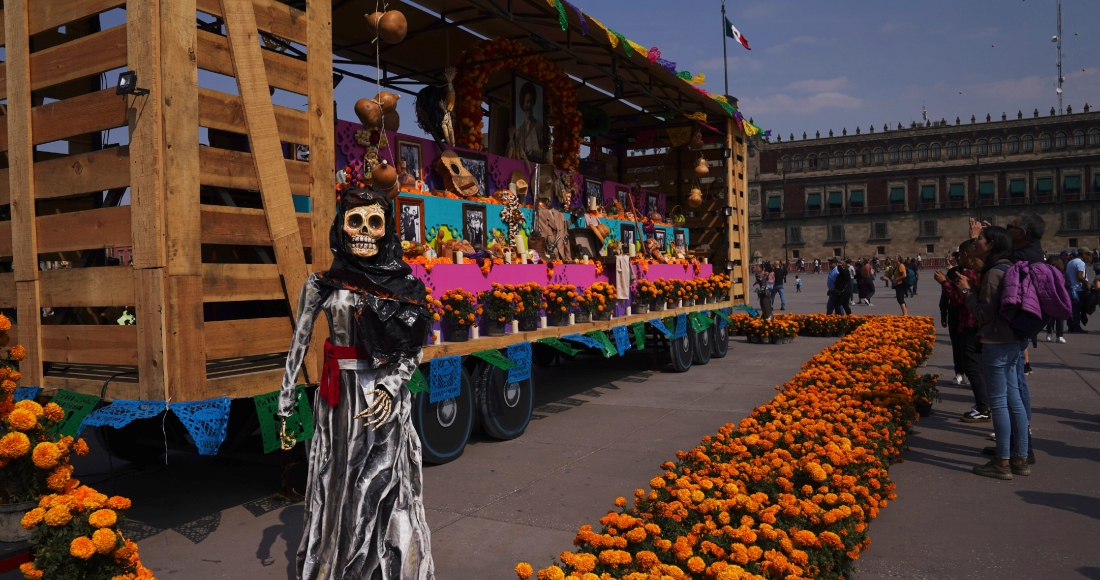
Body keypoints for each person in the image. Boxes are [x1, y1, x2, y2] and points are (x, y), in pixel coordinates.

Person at [278, 187, 436, 578]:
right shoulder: (323, 284)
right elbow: (298, 342)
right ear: (341, 228)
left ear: (387, 231)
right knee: (338, 483)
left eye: (375, 222)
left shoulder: (403, 283)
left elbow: (414, 347)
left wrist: (390, 386)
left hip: (383, 398)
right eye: (355, 221)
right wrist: (285, 404)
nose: (364, 231)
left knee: (381, 485)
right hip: (338, 400)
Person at [957, 226, 1029, 479]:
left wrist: (966, 291)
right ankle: (1020, 457)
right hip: (1013, 342)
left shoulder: (993, 274)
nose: (975, 242)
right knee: (1015, 402)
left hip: (996, 343)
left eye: (980, 239)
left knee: (998, 404)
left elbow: (984, 314)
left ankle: (1002, 462)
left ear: (992, 245)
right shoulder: (1010, 268)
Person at [934, 239, 989, 422]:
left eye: (959, 256)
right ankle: (983, 404)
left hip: (970, 324)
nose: (958, 260)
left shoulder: (969, 274)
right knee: (979, 367)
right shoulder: (979, 273)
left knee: (973, 368)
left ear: (966, 255)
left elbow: (959, 299)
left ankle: (983, 407)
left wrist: (944, 282)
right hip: (976, 324)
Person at [939, 251, 967, 385]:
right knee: (956, 345)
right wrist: (943, 313)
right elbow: (945, 294)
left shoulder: (977, 272)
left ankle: (972, 374)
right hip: (954, 313)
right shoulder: (952, 272)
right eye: (956, 256)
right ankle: (959, 372)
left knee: (970, 346)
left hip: (970, 314)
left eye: (960, 255)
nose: (958, 258)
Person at [1045, 254, 1068, 342]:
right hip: (1050, 296)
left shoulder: (1063, 274)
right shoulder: (1047, 273)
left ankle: (1059, 335)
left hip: (1060, 297)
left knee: (1060, 318)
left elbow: (1067, 284)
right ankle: (1049, 333)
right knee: (1050, 317)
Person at [1065, 249, 1089, 333]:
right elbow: (1080, 276)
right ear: (1083, 254)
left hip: (1070, 288)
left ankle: (1070, 326)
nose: (1088, 257)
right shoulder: (1080, 263)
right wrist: (1087, 284)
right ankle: (1076, 327)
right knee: (1077, 309)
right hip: (1077, 289)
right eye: (1087, 254)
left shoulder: (1071, 262)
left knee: (1071, 308)